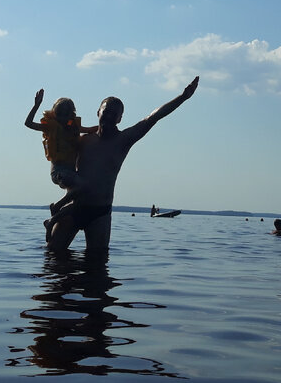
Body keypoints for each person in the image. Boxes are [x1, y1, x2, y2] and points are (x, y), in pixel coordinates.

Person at [46, 77, 199, 253]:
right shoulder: (83, 140)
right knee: (53, 258)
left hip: (99, 212)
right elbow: (58, 145)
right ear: (98, 112)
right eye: (106, 111)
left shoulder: (123, 140)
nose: (109, 116)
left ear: (119, 119)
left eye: (114, 114)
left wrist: (183, 97)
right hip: (72, 208)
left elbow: (153, 117)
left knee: (97, 264)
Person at [25, 89, 98, 224]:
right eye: (59, 114)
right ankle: (57, 207)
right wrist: (36, 105)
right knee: (83, 186)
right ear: (54, 113)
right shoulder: (50, 127)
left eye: (66, 114)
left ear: (72, 115)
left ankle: (52, 221)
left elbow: (90, 130)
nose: (63, 118)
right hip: (58, 172)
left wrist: (106, 128)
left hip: (72, 172)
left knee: (83, 197)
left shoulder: (74, 128)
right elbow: (28, 123)